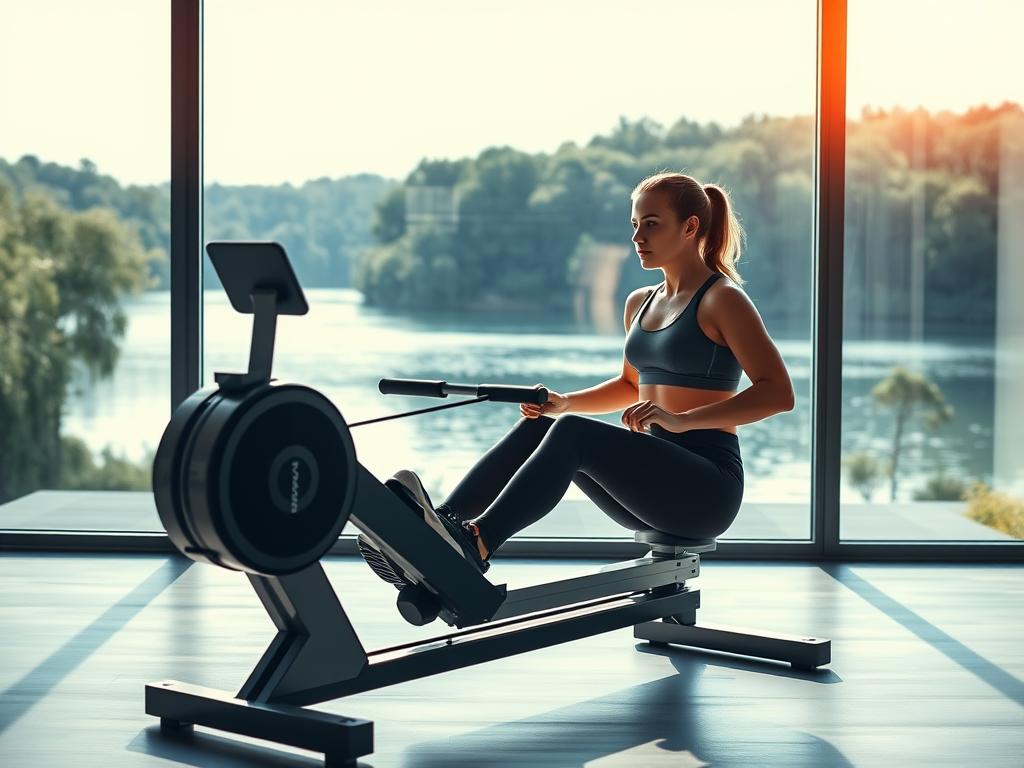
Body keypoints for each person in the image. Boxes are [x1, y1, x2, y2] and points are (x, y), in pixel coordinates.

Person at [357, 172, 795, 587]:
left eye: (652, 224)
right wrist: (565, 402)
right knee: (544, 425)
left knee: (573, 437)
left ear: (690, 227)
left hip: (706, 487)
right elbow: (629, 385)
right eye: (635, 224)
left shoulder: (723, 300)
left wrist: (683, 420)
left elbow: (778, 393)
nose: (637, 237)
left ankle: (477, 543)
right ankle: (438, 529)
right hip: (651, 480)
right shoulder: (640, 302)